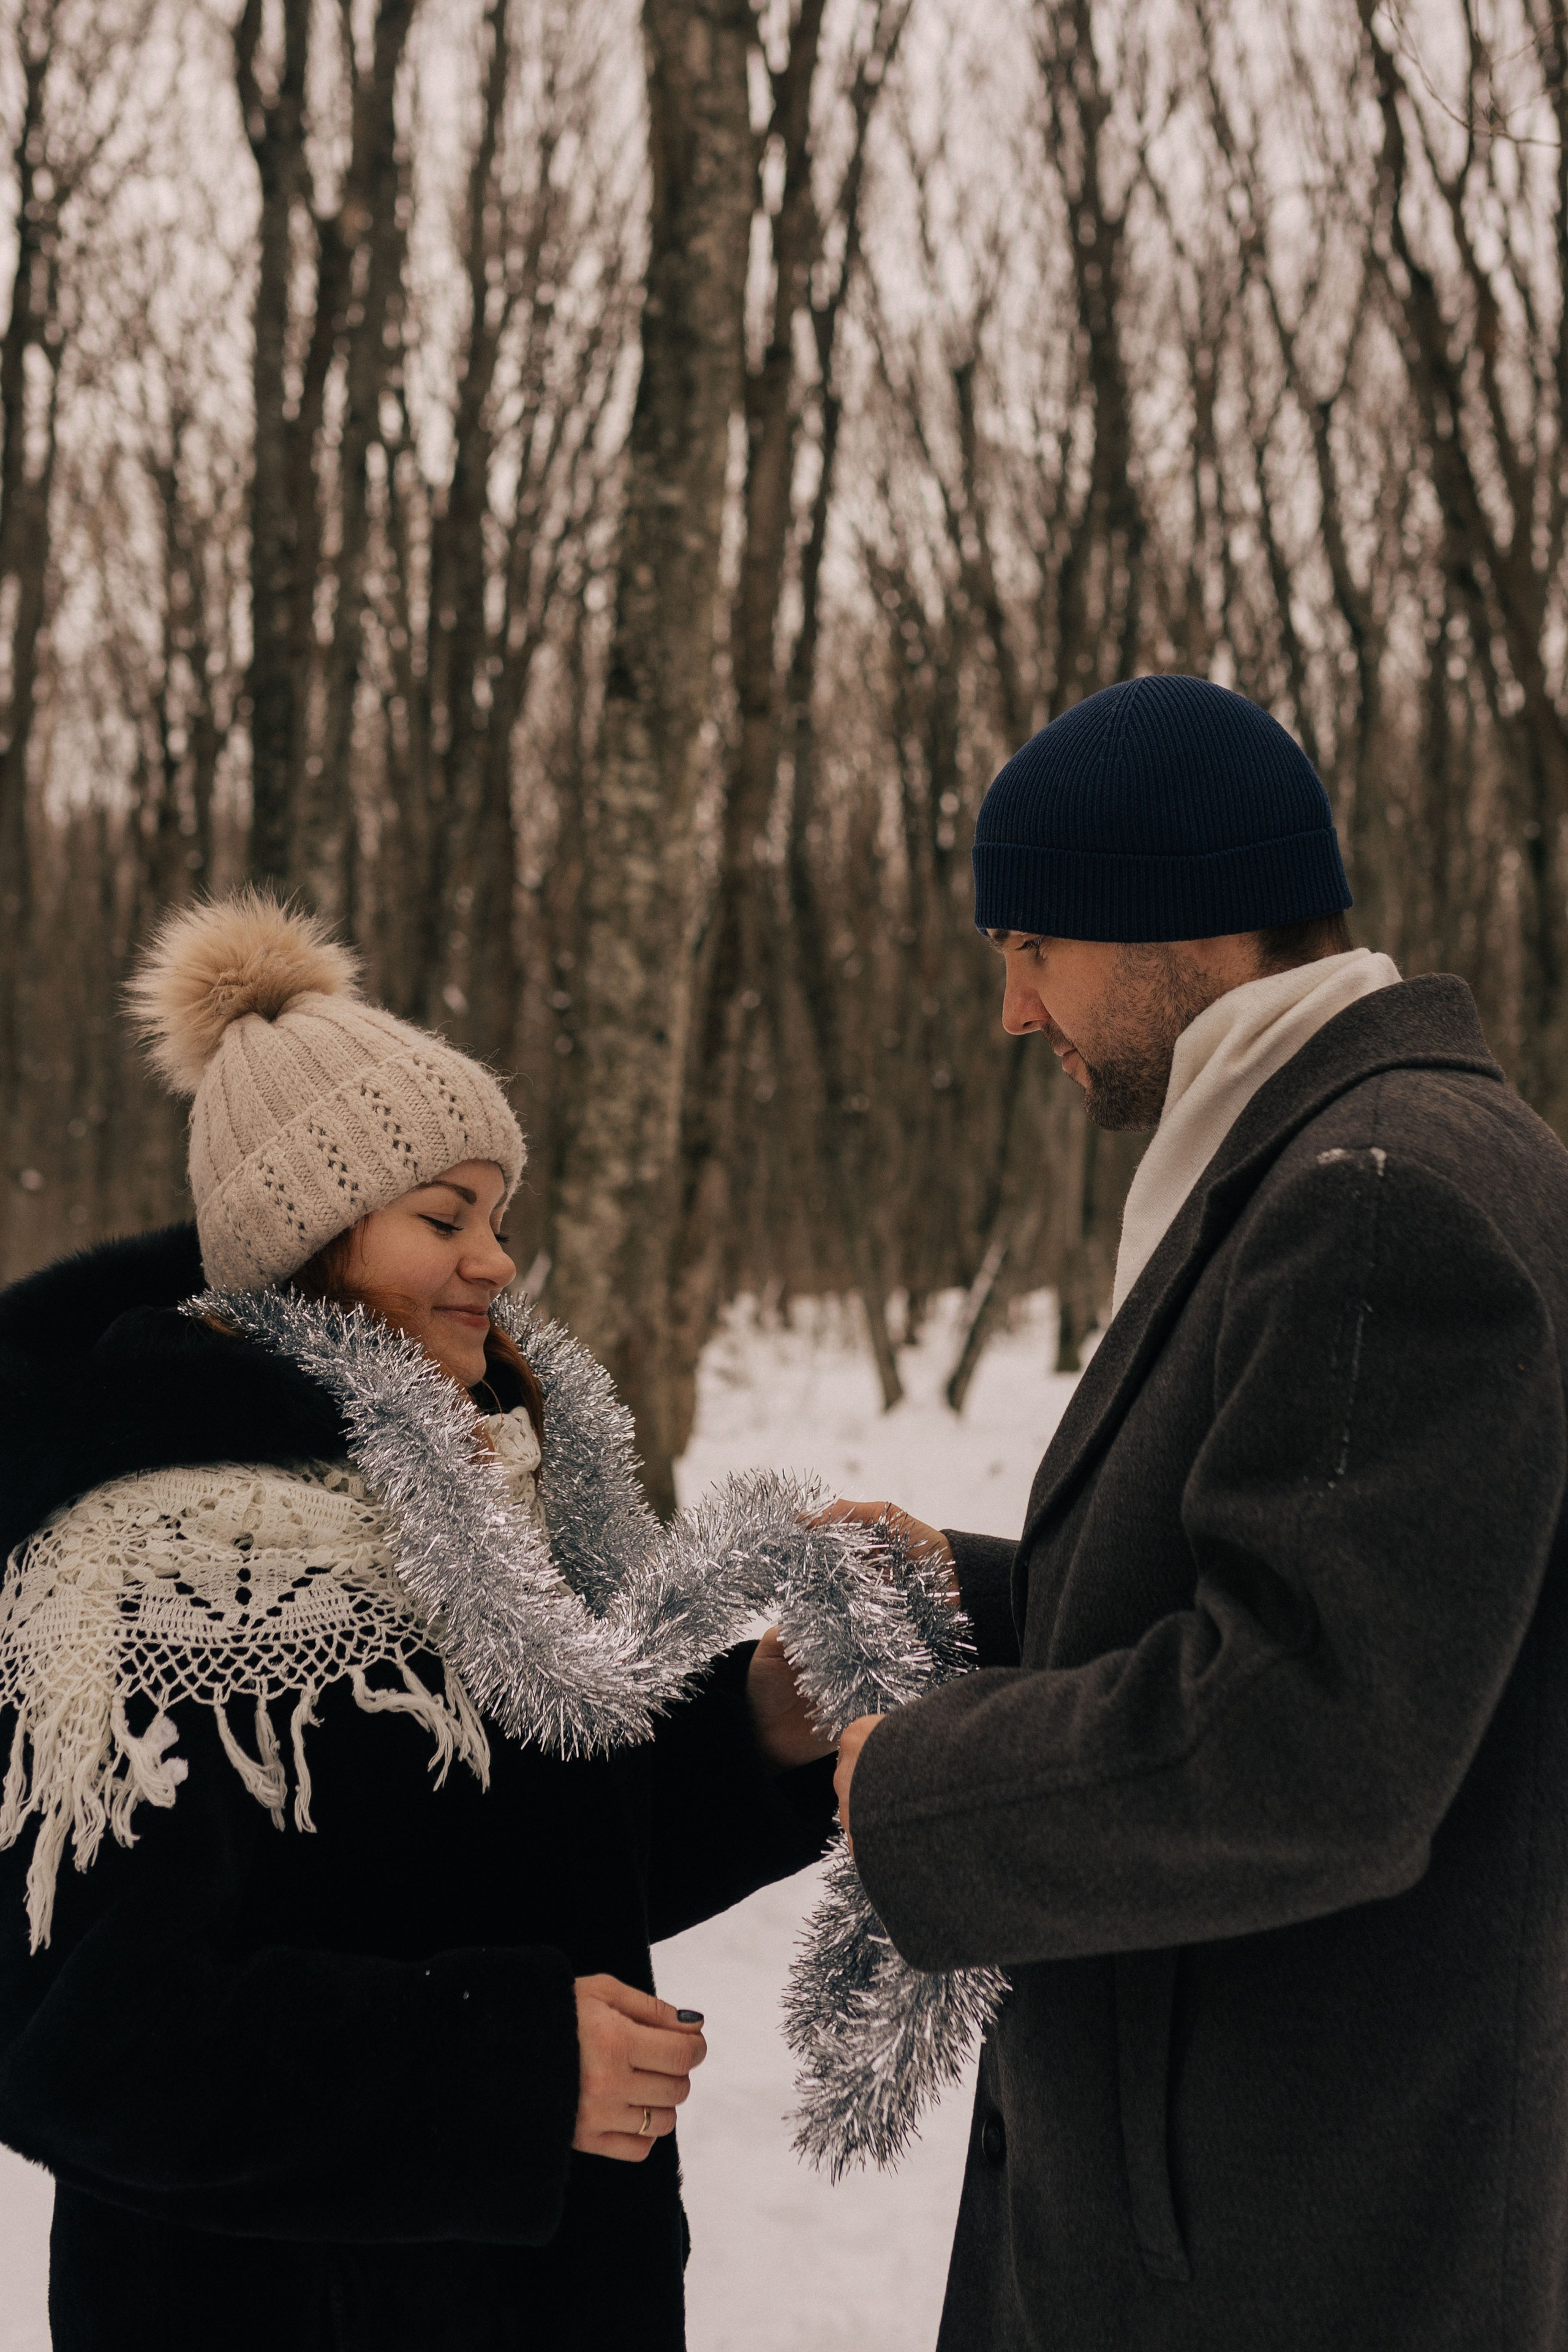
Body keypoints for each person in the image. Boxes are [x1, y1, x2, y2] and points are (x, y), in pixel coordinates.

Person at [829, 673, 1568, 2351]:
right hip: (1257, 2219)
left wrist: (925, 1790)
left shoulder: (1377, 1194)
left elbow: (1314, 1746)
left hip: (1290, 2252)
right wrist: (978, 1593)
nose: (1014, 1009)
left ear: (1183, 919)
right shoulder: (1343, 1155)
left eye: (1034, 944)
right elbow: (1364, 1611)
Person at [0, 893, 837, 2352]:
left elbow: (524, 1861)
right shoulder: (149, 1562)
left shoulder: (466, 1503)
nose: (495, 1263)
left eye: (498, 1219)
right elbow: (83, 2042)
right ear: (307, 1238)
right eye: (442, 1218)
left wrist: (763, 1722)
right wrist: (500, 2073)